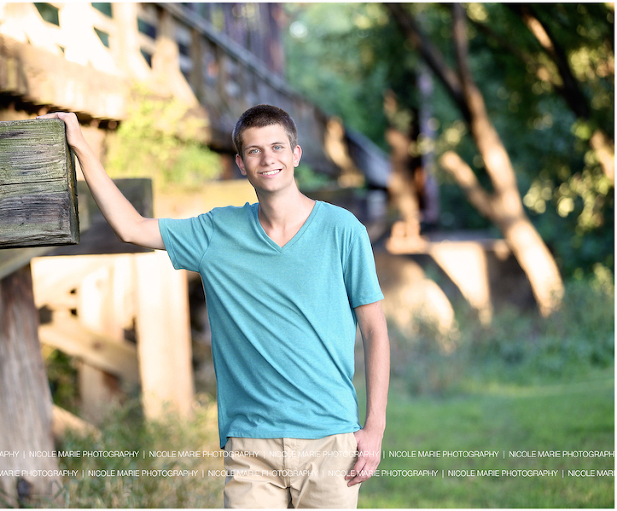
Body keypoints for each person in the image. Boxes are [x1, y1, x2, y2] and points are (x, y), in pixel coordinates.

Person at [38, 105, 390, 509]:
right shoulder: (216, 232)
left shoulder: (343, 230)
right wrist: (81, 146)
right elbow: (131, 227)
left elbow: (375, 330)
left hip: (329, 437)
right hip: (251, 444)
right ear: (241, 163)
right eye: (254, 151)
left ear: (295, 154)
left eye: (277, 146)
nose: (268, 158)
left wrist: (374, 427)